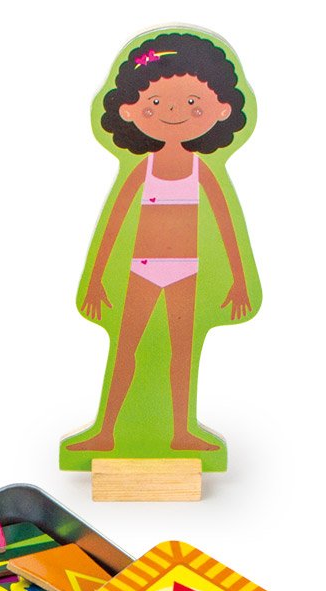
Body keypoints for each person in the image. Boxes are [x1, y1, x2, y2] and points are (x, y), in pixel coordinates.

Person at [64, 30, 258, 457]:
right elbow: (114, 224)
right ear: (130, 110)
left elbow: (226, 226)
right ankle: (107, 432)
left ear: (221, 109)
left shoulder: (202, 171)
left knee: (182, 354)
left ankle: (180, 432)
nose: (173, 111)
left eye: (192, 104)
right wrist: (95, 279)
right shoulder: (144, 169)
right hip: (142, 268)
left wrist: (240, 280)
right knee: (126, 349)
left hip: (187, 270)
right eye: (156, 102)